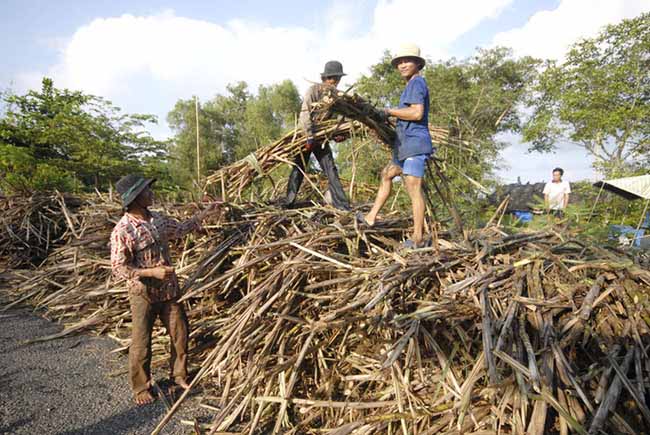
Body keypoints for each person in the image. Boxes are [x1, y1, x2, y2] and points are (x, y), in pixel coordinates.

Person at [110, 174, 220, 405]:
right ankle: (141, 386)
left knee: (180, 333)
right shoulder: (124, 229)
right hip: (143, 294)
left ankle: (179, 375)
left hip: (170, 290)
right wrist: (150, 273)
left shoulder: (157, 219)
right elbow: (118, 267)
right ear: (136, 198)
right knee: (141, 341)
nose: (151, 193)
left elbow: (181, 229)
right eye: (147, 191)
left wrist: (207, 212)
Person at [358, 44, 433, 248]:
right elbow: (407, 114)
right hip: (404, 144)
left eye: (407, 61)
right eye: (399, 62)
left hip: (415, 144)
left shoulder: (417, 83)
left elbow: (417, 113)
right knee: (387, 174)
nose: (402, 65)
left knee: (412, 187)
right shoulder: (410, 86)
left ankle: (417, 237)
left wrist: (389, 111)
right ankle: (371, 217)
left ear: (417, 63)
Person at [282, 60, 351, 211]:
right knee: (298, 169)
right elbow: (305, 113)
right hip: (306, 137)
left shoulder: (336, 97)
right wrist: (309, 137)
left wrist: (337, 135)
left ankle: (342, 205)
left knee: (330, 169)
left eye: (337, 79)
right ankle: (289, 202)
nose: (334, 82)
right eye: (332, 79)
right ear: (326, 78)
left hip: (321, 139)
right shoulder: (313, 91)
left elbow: (336, 121)